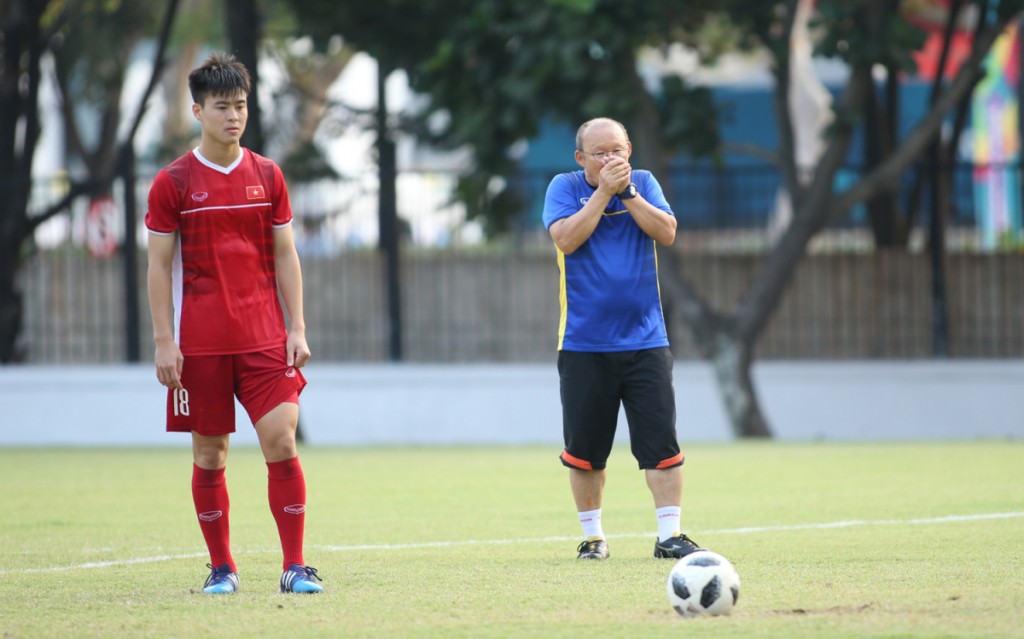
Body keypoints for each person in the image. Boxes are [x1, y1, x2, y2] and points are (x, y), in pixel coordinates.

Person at [146, 52, 322, 594]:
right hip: (201, 345)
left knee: (282, 441)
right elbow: (156, 265)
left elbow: (287, 255)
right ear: (197, 110)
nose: (234, 117)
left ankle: (294, 567)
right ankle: (222, 568)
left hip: (265, 337)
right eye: (222, 107)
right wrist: (164, 342)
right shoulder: (173, 182)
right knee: (209, 453)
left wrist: (297, 327)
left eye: (240, 106)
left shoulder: (267, 175)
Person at [541, 117, 701, 561]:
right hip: (583, 343)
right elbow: (567, 239)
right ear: (581, 159)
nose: (611, 159)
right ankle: (594, 538)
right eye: (601, 153)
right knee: (586, 451)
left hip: (647, 341)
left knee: (661, 445)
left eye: (618, 150)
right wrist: (602, 193)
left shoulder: (644, 183)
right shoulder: (563, 187)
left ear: (629, 149)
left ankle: (669, 535)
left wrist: (626, 192)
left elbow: (667, 232)